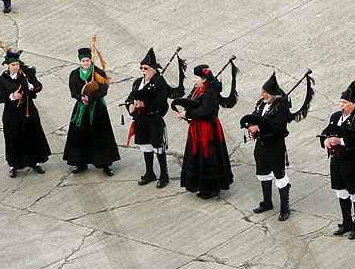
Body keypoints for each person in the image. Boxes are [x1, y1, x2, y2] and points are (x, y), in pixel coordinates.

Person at [176, 64, 236, 199]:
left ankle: (211, 188)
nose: (194, 80)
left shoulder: (210, 92)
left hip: (208, 130)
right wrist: (186, 113)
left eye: (196, 77)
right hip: (197, 129)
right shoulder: (199, 89)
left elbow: (206, 111)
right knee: (198, 157)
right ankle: (201, 185)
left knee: (209, 157)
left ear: (204, 79)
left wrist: (188, 114)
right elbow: (192, 103)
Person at [321, 81, 355, 239]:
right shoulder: (336, 117)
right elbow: (326, 132)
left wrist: (340, 141)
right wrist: (325, 141)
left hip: (351, 161)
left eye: (345, 103)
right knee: (341, 191)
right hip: (336, 160)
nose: (341, 105)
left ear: (354, 104)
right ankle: (347, 222)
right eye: (341, 102)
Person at [244, 73, 293, 221]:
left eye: (265, 92)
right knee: (263, 173)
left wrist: (259, 127)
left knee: (280, 176)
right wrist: (250, 125)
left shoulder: (282, 106)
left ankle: (285, 208)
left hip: (275, 147)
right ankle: (267, 202)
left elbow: (277, 126)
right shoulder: (262, 103)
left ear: (272, 95)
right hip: (261, 145)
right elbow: (255, 115)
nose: (262, 94)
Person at [0, 49, 50, 177]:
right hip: (12, 115)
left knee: (32, 136)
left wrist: (31, 87)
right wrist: (11, 97)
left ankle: (34, 162)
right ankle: (14, 165)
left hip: (28, 112)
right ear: (8, 65)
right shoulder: (2, 80)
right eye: (13, 65)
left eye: (17, 65)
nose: (16, 67)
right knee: (14, 139)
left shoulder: (26, 76)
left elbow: (38, 87)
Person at [64, 47, 120, 176]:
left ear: (90, 60)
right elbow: (73, 91)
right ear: (80, 61)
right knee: (80, 135)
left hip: (97, 108)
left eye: (87, 60)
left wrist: (92, 97)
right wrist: (81, 98)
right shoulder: (74, 74)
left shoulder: (98, 72)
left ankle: (105, 164)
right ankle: (81, 162)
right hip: (81, 109)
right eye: (83, 61)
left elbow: (104, 89)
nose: (85, 63)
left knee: (100, 134)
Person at [126, 48, 171, 187]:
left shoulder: (160, 83)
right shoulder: (138, 82)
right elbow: (129, 99)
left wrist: (145, 104)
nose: (143, 70)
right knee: (145, 146)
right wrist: (131, 107)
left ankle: (164, 175)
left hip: (154, 120)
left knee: (158, 147)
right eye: (141, 68)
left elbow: (162, 104)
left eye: (145, 68)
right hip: (140, 120)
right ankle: (150, 173)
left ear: (153, 69)